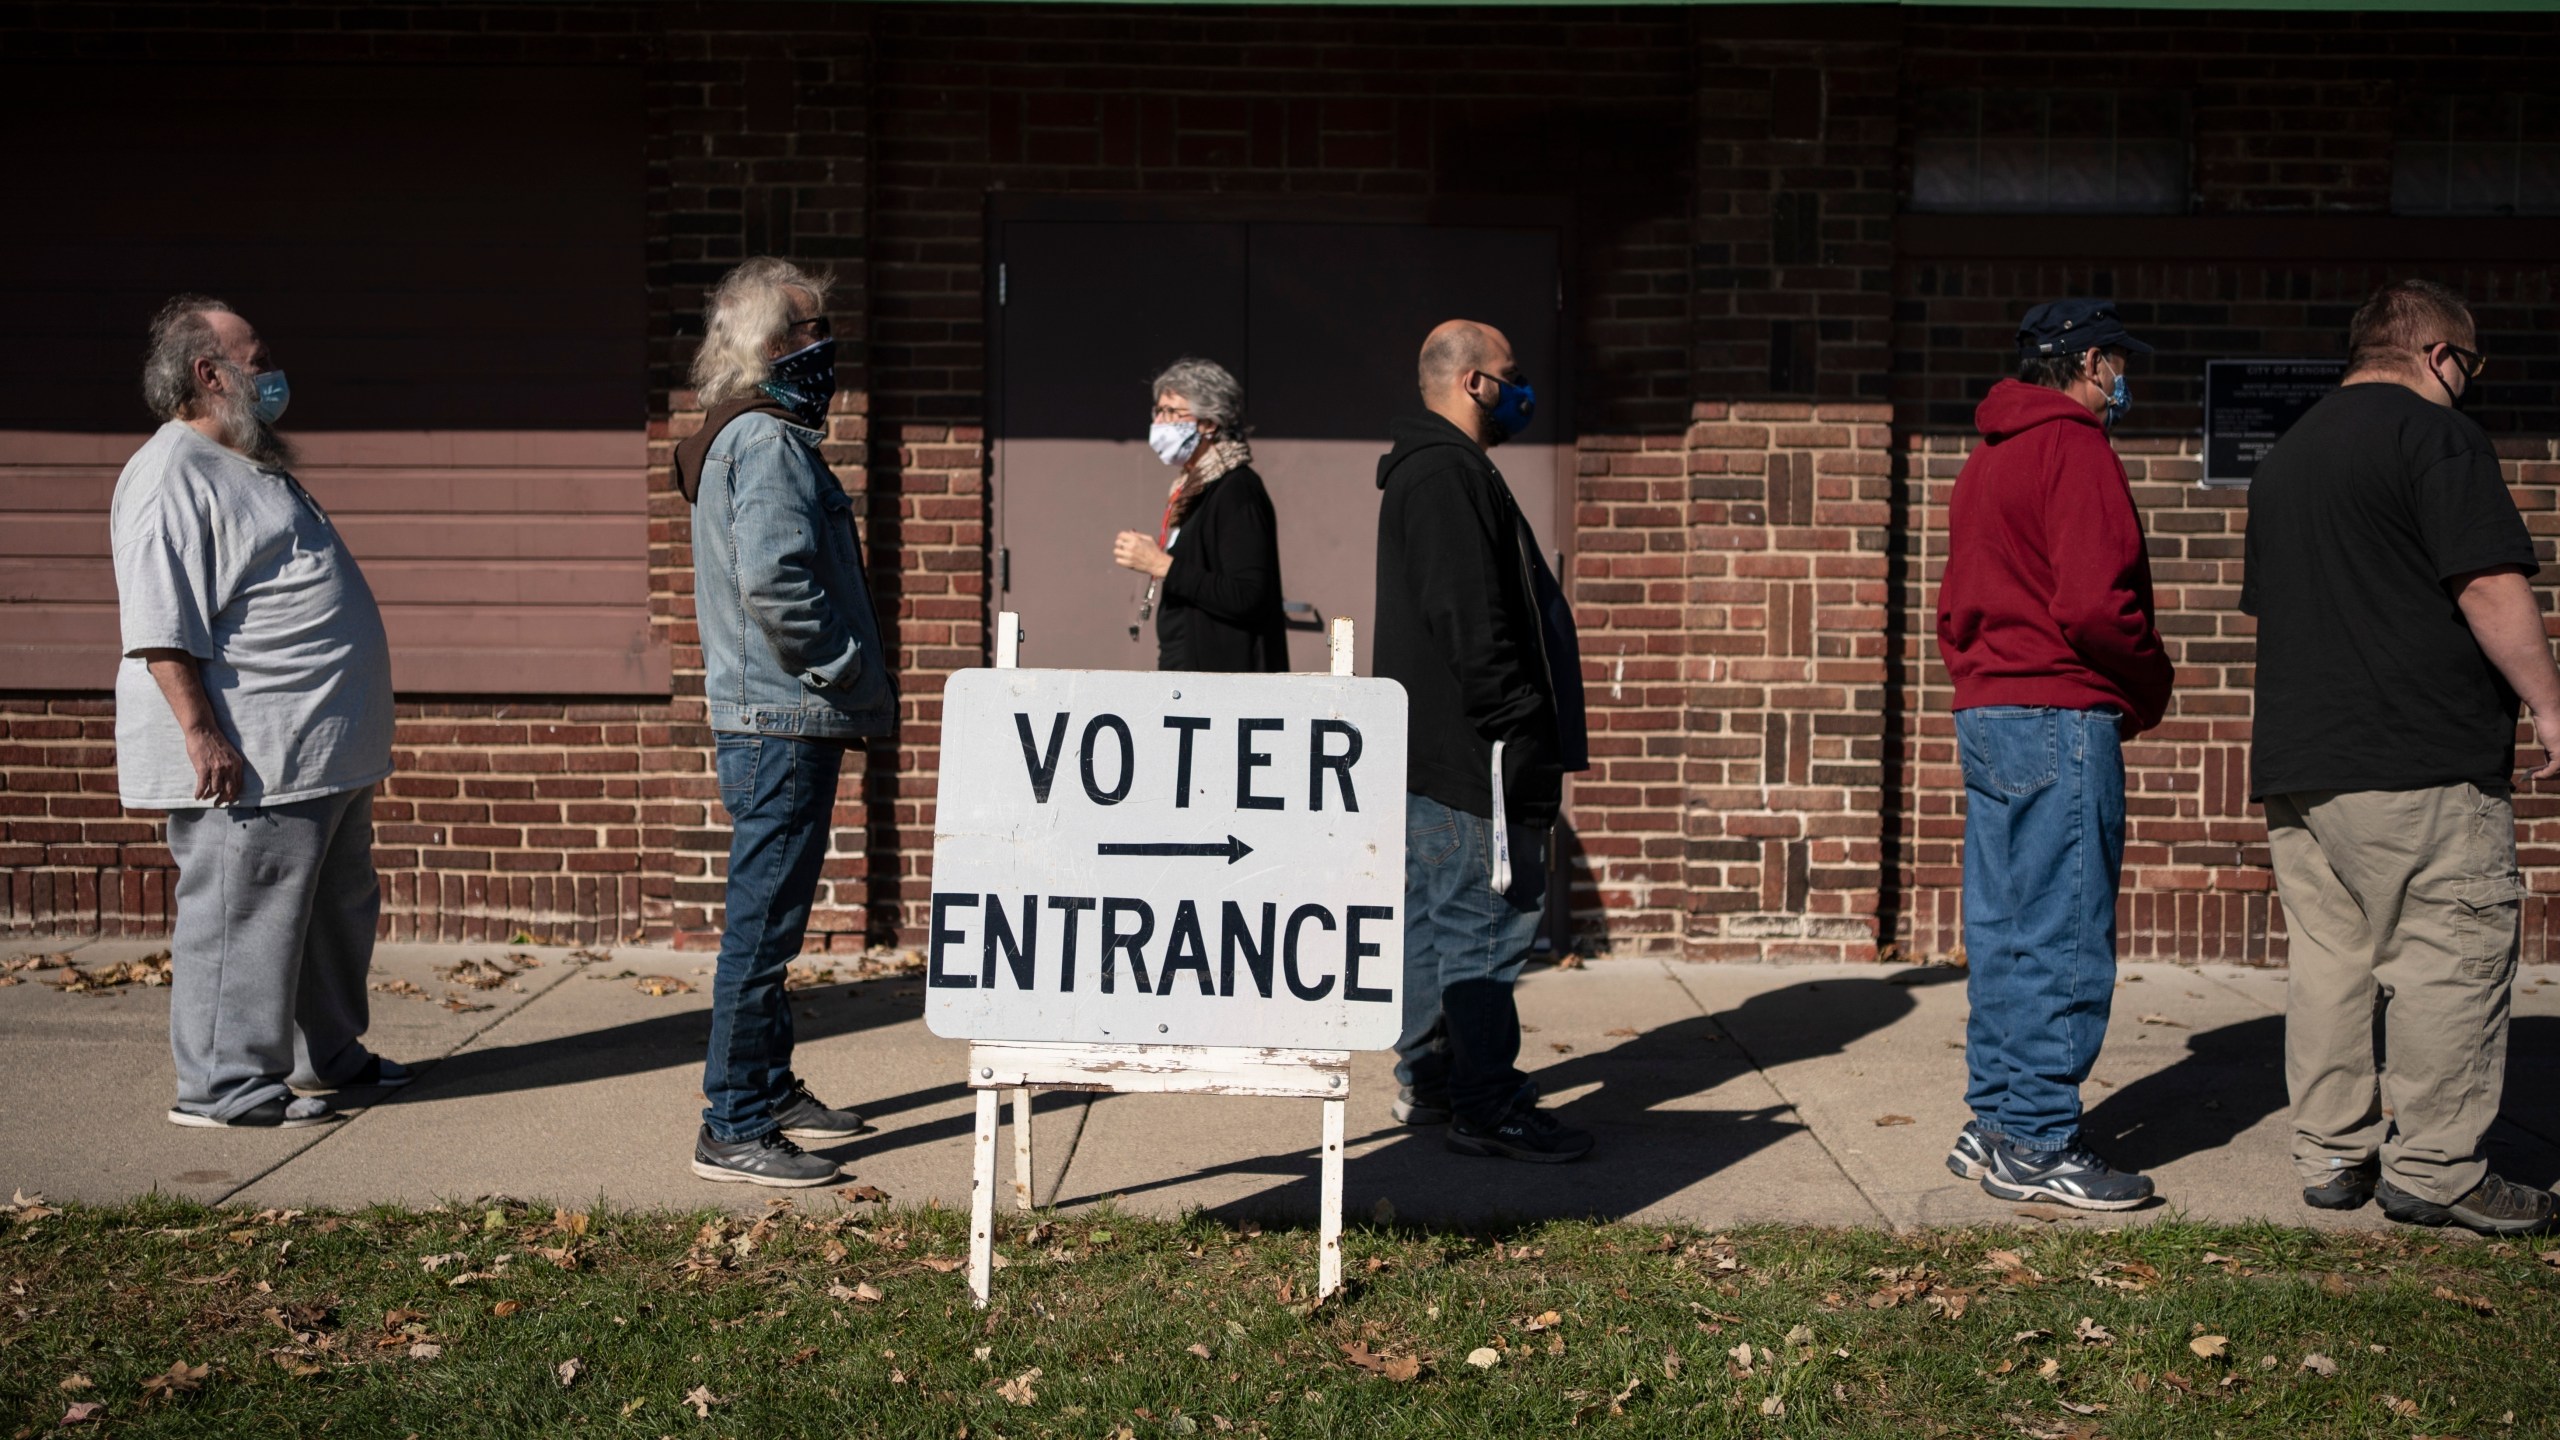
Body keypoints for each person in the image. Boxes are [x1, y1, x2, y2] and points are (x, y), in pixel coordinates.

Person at [2244, 278, 2558, 1236]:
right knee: (2451, 956)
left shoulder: (2286, 457)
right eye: (2469, 366)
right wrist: (2550, 703)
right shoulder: (2436, 435)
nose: (2468, 384)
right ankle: (2436, 1169)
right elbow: (2487, 583)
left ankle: (2334, 1153)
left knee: (2330, 961)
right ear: (2436, 354)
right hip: (2417, 755)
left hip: (2302, 762)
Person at [112, 296, 404, 1129]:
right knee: (245, 921)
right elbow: (159, 622)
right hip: (254, 753)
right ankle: (223, 1088)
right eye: (258, 356)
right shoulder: (171, 472)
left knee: (332, 916)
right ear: (210, 372)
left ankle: (331, 1059)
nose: (274, 373)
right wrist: (203, 735)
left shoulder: (248, 462)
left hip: (320, 751)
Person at [1934, 298, 2173, 1210]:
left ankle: (1994, 1122)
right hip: (2060, 712)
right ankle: (2037, 1140)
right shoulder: (2074, 448)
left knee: (2001, 932)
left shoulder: (1986, 457)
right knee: (2065, 932)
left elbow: (1955, 606)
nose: (2122, 378)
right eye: (2117, 360)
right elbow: (2095, 607)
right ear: (2084, 363)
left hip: (1990, 710)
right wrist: (2149, 684)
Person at [674, 257, 897, 1187]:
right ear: (768, 346)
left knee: (777, 921)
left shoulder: (753, 436)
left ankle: (765, 1088)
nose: (824, 345)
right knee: (762, 932)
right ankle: (733, 1125)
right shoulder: (763, 442)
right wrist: (842, 666)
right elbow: (776, 583)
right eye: (807, 330)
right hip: (781, 719)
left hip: (777, 716)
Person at [1374, 318, 1590, 1163]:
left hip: (1451, 754)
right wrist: (1517, 720)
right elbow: (1469, 617)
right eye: (1510, 374)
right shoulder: (1444, 476)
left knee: (1435, 925)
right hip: (1477, 756)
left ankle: (1435, 1081)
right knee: (1483, 928)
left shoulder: (1439, 472)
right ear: (1472, 382)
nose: (1520, 388)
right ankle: (1484, 1102)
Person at [1110, 358, 1288, 672]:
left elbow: (1249, 595)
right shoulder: (1193, 490)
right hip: (1190, 676)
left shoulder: (1237, 490)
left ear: (1208, 422)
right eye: (1158, 411)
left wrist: (1161, 564)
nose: (1159, 422)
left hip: (1225, 685)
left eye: (1171, 412)